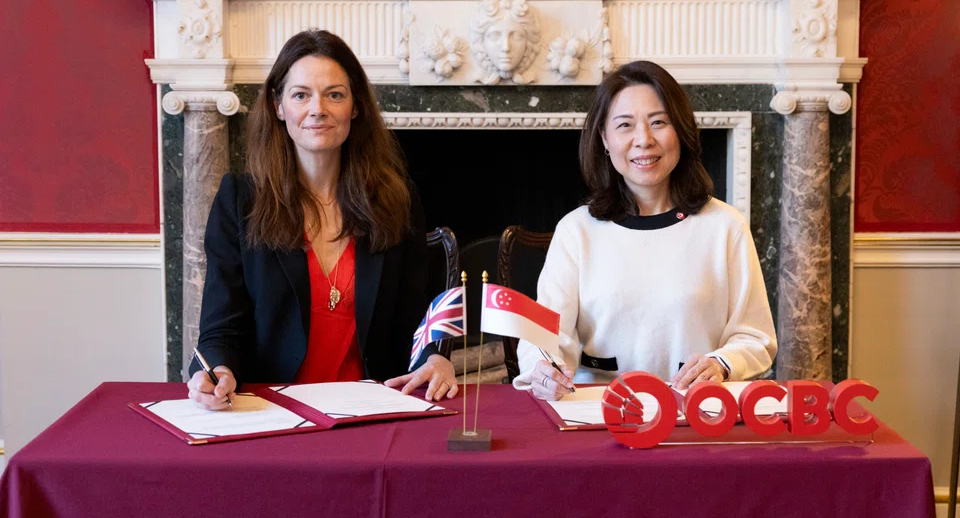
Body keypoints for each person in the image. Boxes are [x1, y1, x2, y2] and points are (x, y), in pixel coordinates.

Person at [187, 29, 458, 410]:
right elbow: (222, 326)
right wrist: (216, 372)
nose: (318, 109)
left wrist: (435, 356)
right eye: (301, 95)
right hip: (273, 412)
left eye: (334, 94)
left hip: (374, 409)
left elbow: (418, 316)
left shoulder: (396, 198)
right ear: (278, 106)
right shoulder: (240, 200)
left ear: (355, 106)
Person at [515, 60, 777, 400]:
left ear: (680, 132)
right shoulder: (575, 231)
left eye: (659, 123)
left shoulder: (725, 226)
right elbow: (543, 338)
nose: (644, 140)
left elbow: (755, 338)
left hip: (697, 411)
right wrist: (544, 369)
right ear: (604, 139)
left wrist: (722, 364)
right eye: (625, 125)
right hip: (598, 411)